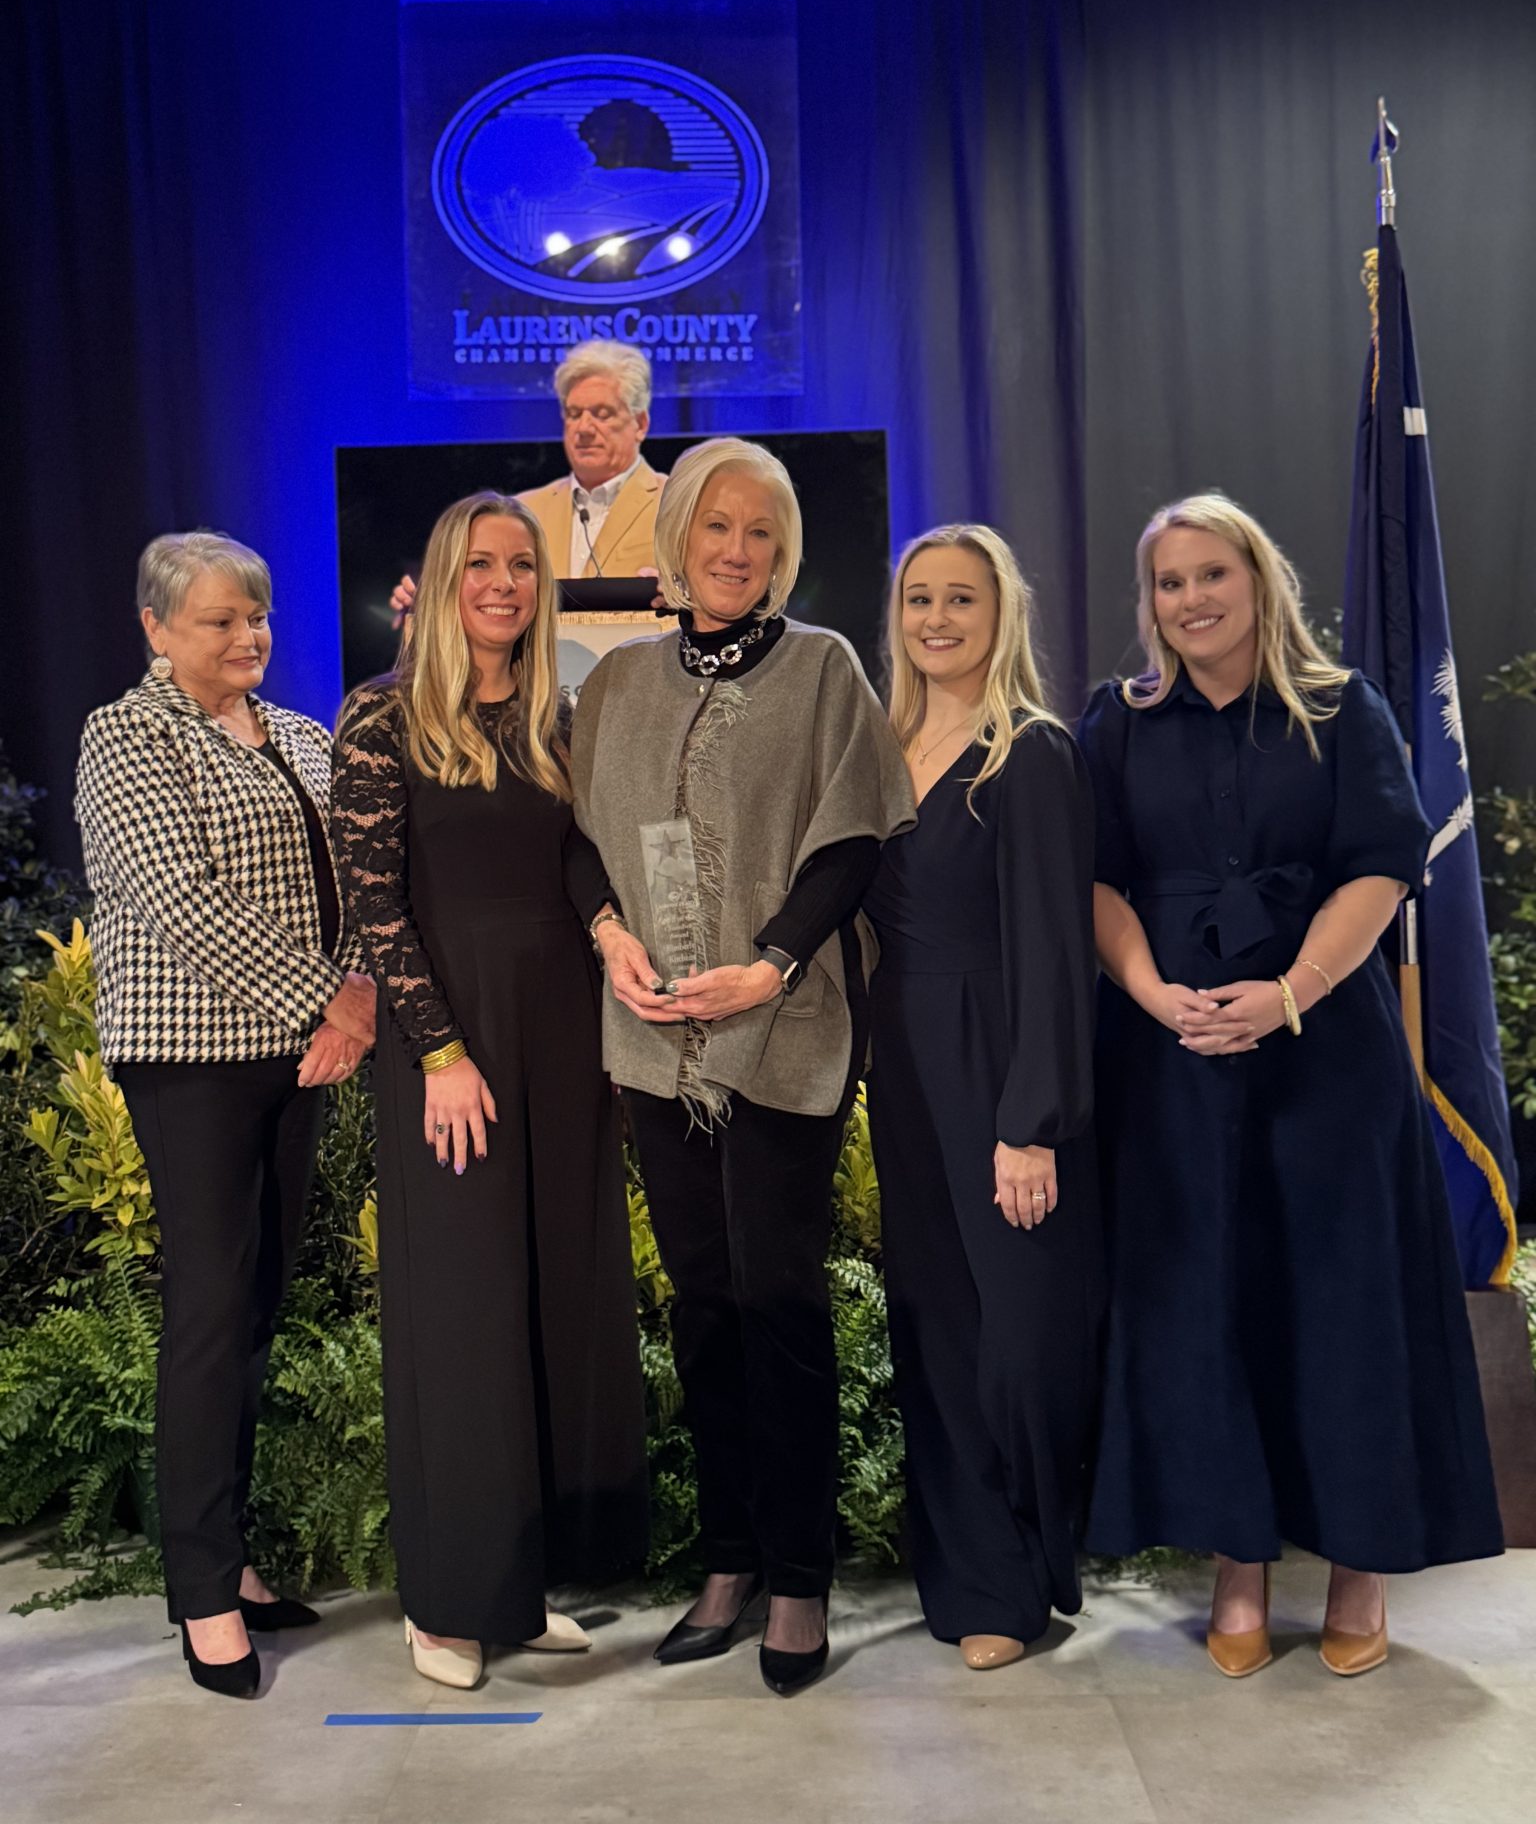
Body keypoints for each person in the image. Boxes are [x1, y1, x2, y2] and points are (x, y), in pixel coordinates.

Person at [1078, 491, 1503, 1679]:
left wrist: (1292, 992)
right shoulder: (1119, 719)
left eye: (1212, 573)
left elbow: (1381, 866)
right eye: (1170, 582)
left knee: (1344, 1303)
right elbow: (1096, 878)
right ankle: (1238, 1567)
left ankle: (1363, 1569)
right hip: (1175, 1060)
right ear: (1150, 601)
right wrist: (1154, 994)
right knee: (1213, 1304)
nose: (1192, 598)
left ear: (1259, 579)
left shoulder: (1341, 706)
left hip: (1328, 1057)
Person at [570, 438, 915, 1696]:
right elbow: (578, 837)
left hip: (782, 1028)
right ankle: (729, 1559)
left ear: (785, 551)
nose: (736, 549)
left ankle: (801, 1576)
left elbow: (854, 838)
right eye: (716, 526)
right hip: (655, 1039)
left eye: (761, 531)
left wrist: (769, 965)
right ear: (678, 539)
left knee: (779, 1299)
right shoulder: (618, 681)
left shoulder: (824, 669)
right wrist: (609, 935)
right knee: (703, 1301)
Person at [333, 491, 647, 1691]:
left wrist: (610, 930)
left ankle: (524, 1584)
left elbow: (575, 854)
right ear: (441, 577)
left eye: (522, 562)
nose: (504, 582)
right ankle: (449, 1601)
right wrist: (438, 1051)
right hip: (453, 1038)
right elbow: (373, 899)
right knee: (463, 1313)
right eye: (480, 563)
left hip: (563, 1030)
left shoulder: (553, 715)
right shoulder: (380, 714)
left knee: (555, 1298)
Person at [75, 531, 376, 1700]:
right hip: (191, 1057)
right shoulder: (126, 735)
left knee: (253, 1307)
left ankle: (232, 1555)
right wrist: (332, 998)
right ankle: (201, 1590)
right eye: (219, 620)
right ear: (156, 627)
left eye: (257, 615)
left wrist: (354, 997)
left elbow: (361, 875)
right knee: (209, 1312)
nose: (248, 635)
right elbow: (184, 900)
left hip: (298, 1054)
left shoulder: (299, 734)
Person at [864, 525, 1102, 1672]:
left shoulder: (1032, 750)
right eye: (920, 597)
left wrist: (1030, 1122)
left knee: (1018, 1338)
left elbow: (1055, 947)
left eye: (961, 597)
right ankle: (968, 1580)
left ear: (1000, 611)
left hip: (998, 1060)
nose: (938, 618)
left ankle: (1025, 1571)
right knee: (935, 1328)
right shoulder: (878, 747)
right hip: (902, 1066)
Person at [390, 340, 661, 622]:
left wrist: (681, 595)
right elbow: (479, 596)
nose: (584, 428)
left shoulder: (674, 507)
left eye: (602, 414)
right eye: (574, 414)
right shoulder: (520, 512)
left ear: (640, 424)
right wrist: (425, 604)